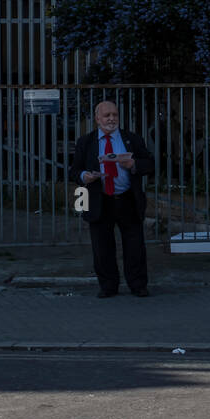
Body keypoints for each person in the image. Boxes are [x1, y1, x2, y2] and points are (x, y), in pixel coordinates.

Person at [69, 99, 155, 298]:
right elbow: (74, 171)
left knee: (135, 246)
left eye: (114, 115)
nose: (111, 119)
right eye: (107, 115)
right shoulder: (86, 142)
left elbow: (149, 163)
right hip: (100, 199)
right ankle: (108, 286)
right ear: (98, 119)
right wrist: (85, 177)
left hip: (127, 199)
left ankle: (138, 285)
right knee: (102, 246)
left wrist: (133, 164)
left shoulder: (131, 139)